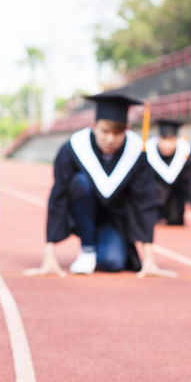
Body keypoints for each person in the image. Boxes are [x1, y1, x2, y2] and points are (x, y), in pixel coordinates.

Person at [24, 93, 175, 278]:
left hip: (114, 219)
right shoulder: (73, 148)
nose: (110, 139)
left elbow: (144, 201)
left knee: (113, 262)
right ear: (93, 127)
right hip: (79, 213)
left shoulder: (137, 152)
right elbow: (59, 196)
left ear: (127, 129)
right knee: (81, 182)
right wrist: (49, 256)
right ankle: (87, 249)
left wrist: (149, 259)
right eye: (105, 131)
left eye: (118, 132)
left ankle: (99, 246)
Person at [144, 119, 191, 230]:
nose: (166, 145)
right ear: (158, 138)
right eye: (163, 139)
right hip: (152, 197)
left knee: (175, 222)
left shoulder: (188, 153)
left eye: (171, 140)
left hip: (175, 196)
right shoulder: (147, 151)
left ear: (176, 139)